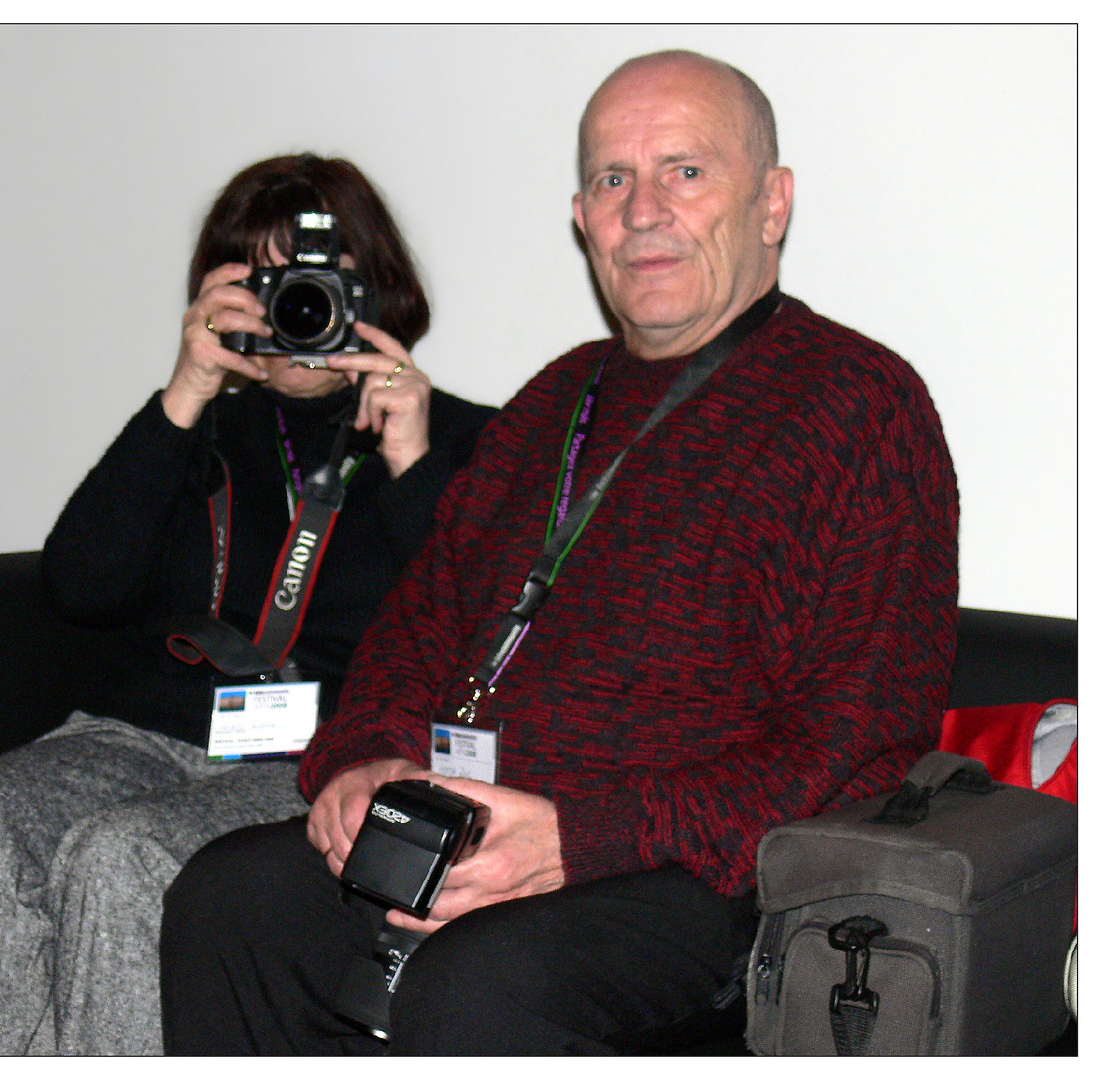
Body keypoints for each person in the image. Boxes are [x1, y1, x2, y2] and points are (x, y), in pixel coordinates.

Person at [158, 51, 961, 1055]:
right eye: (611, 180)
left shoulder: (857, 406)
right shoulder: (552, 400)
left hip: (700, 873)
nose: (641, 210)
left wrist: (578, 842)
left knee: (480, 983)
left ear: (771, 203)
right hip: (467, 823)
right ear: (580, 216)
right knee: (231, 898)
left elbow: (861, 740)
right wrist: (363, 760)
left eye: (685, 171)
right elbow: (416, 627)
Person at [0, 153, 498, 1055]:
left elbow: (487, 636)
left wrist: (412, 465)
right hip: (133, 738)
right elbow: (80, 589)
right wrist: (186, 390)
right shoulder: (192, 422)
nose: (296, 314)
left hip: (314, 756)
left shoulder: (467, 437)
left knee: (121, 858)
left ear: (377, 289)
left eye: (316, 282)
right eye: (266, 283)